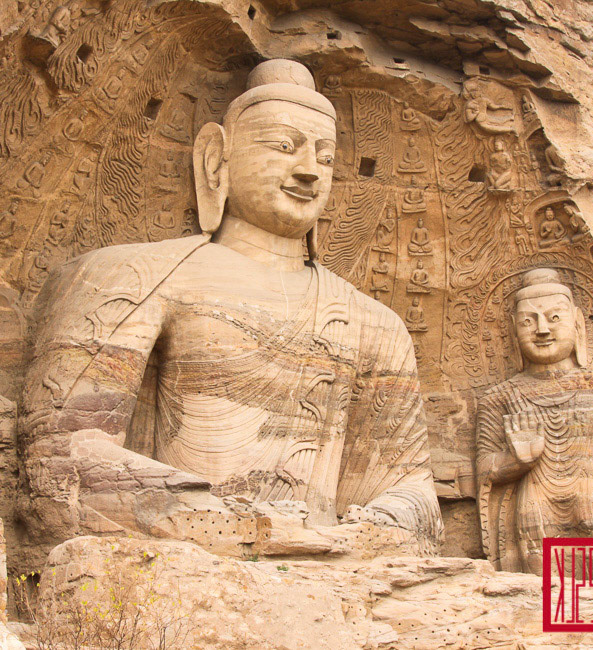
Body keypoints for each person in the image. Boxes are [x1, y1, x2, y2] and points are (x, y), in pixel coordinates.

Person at [20, 59, 442, 557]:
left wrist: (368, 529)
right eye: (283, 146)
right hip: (185, 557)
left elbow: (412, 489)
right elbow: (60, 460)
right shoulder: (137, 276)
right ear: (216, 158)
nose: (309, 170)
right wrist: (239, 525)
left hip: (330, 555)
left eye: (326, 158)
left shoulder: (375, 323)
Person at [476, 268, 593, 617]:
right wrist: (515, 461)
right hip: (535, 522)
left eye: (554, 318)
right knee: (548, 620)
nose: (542, 329)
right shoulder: (499, 397)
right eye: (528, 321)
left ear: (578, 323)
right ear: (513, 331)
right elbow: (484, 468)